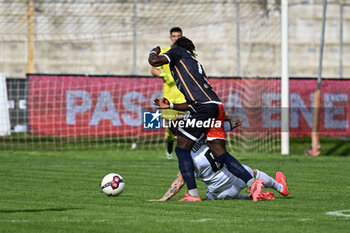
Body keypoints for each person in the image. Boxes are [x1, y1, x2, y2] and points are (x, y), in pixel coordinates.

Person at [149, 37, 263, 202]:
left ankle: (194, 195)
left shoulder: (178, 51)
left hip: (202, 106)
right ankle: (253, 183)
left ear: (178, 46)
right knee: (220, 152)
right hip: (216, 106)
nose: (171, 48)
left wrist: (154, 51)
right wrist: (172, 105)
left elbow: (154, 61)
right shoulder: (193, 63)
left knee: (182, 149)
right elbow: (192, 102)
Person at [149, 116, 289, 201]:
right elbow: (237, 121)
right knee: (252, 172)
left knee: (209, 195)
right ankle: (280, 187)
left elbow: (179, 182)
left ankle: (250, 196)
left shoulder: (184, 154)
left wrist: (163, 199)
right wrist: (222, 116)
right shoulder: (206, 134)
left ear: (175, 137)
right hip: (236, 179)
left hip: (219, 194)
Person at [150, 27, 186, 160]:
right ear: (171, 38)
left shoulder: (188, 52)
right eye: (174, 36)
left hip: (184, 95)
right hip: (169, 96)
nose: (176, 38)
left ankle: (185, 152)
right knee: (170, 129)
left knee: (186, 126)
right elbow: (153, 69)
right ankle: (169, 148)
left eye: (178, 36)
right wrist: (164, 75)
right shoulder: (165, 52)